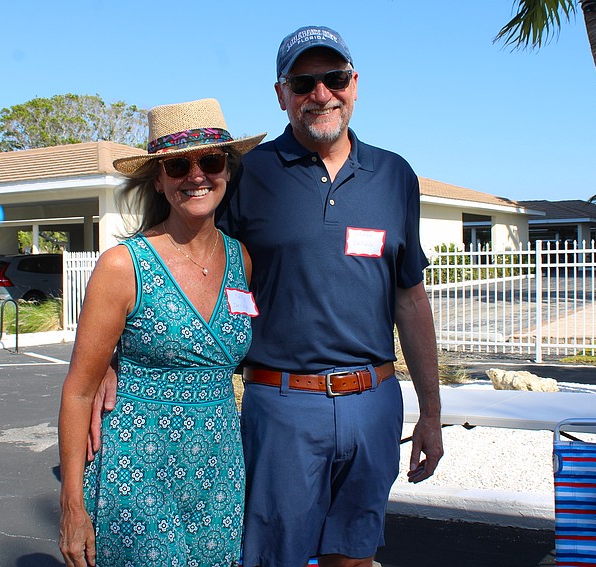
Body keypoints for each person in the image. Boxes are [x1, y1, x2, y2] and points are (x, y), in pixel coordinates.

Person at [91, 25, 443, 567]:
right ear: (281, 94)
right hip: (283, 408)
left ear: (355, 84)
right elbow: (184, 253)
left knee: (353, 557)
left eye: (334, 78)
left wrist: (430, 412)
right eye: (304, 82)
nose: (320, 94)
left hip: (374, 404)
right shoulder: (244, 173)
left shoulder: (395, 176)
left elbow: (410, 300)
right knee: (274, 558)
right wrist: (118, 355)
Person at [58, 98, 265, 567]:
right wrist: (72, 504)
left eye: (210, 161)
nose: (196, 175)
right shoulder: (122, 265)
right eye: (177, 164)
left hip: (219, 475)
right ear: (159, 178)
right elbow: (78, 390)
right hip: (137, 473)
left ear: (227, 171)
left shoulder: (241, 260)